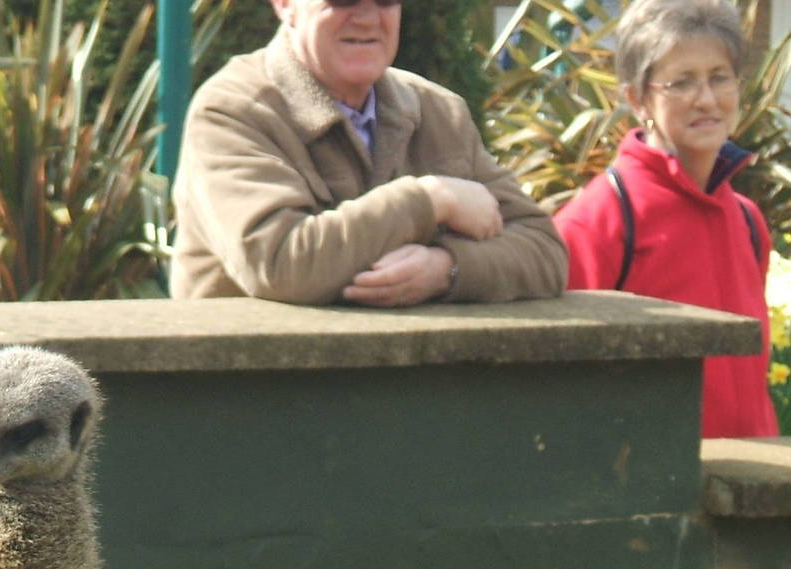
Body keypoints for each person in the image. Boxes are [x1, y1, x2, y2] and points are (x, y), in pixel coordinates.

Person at [170, 0, 567, 307]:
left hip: (399, 395)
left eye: (385, 0)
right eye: (343, 0)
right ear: (284, 4)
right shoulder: (232, 112)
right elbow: (279, 263)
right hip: (254, 398)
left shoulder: (439, 111)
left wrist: (446, 269)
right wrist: (430, 199)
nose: (367, 17)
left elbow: (545, 253)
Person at [553, 0, 778, 438]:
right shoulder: (598, 221)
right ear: (637, 98)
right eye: (682, 83)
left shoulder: (747, 220)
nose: (707, 100)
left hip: (751, 485)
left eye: (719, 78)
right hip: (650, 491)